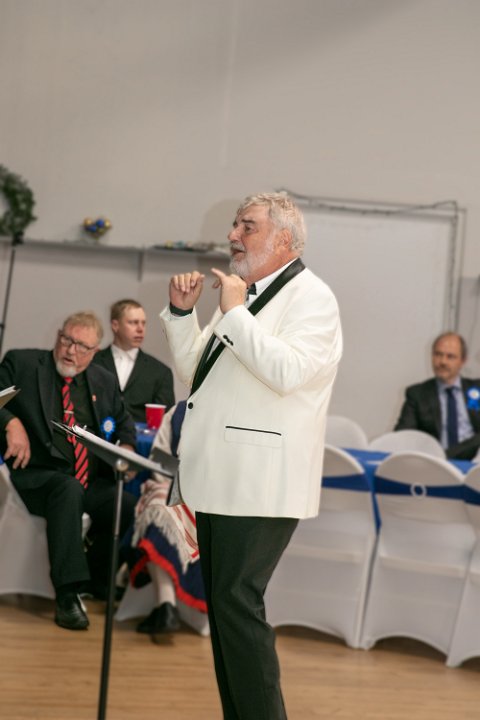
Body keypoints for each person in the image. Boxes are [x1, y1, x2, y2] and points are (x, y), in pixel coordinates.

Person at [159, 192, 342, 719]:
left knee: (238, 607)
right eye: (235, 225)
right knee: (227, 611)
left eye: (247, 226)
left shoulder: (312, 298)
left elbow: (287, 372)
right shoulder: (246, 297)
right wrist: (181, 314)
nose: (233, 235)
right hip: (222, 478)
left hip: (260, 483)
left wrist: (235, 312)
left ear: (284, 239)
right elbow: (196, 375)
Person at [0, 311, 137, 630]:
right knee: (67, 488)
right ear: (58, 336)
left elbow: (124, 423)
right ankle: (67, 595)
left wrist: (128, 447)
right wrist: (11, 422)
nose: (71, 351)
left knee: (126, 505)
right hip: (36, 478)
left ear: (95, 351)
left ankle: (96, 581)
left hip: (87, 481)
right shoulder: (22, 364)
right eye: (67, 340)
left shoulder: (103, 380)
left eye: (82, 347)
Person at [122, 400, 208, 640]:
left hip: (212, 502)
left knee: (156, 510)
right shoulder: (179, 413)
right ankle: (166, 606)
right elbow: (159, 463)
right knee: (157, 509)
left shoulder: (232, 416)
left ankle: (165, 606)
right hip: (173, 491)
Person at [395, 332, 480, 460]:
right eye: (438, 354)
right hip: (433, 464)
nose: (442, 362)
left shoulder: (477, 389)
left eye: (450, 356)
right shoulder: (417, 394)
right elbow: (402, 436)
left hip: (473, 463)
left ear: (463, 361)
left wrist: (447, 455)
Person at [93, 298, 175, 423]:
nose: (140, 329)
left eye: (143, 323)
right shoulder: (93, 362)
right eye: (133, 322)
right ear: (115, 325)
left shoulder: (161, 372)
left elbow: (166, 422)